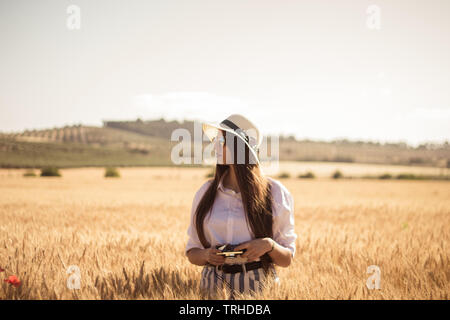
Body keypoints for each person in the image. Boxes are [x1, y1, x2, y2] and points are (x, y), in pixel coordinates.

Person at [185, 114, 297, 299]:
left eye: (221, 140)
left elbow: (286, 259)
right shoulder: (205, 192)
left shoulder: (276, 193)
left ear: (240, 147)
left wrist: (268, 245)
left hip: (260, 289)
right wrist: (207, 255)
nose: (214, 145)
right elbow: (192, 252)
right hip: (212, 287)